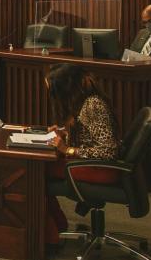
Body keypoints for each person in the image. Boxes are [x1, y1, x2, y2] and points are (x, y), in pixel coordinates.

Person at [42, 63, 121, 245]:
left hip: (100, 169)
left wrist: (67, 149)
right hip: (91, 163)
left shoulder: (92, 105)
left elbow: (107, 151)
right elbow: (90, 138)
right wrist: (66, 134)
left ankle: (52, 233)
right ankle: (57, 226)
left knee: (37, 172)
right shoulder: (85, 101)